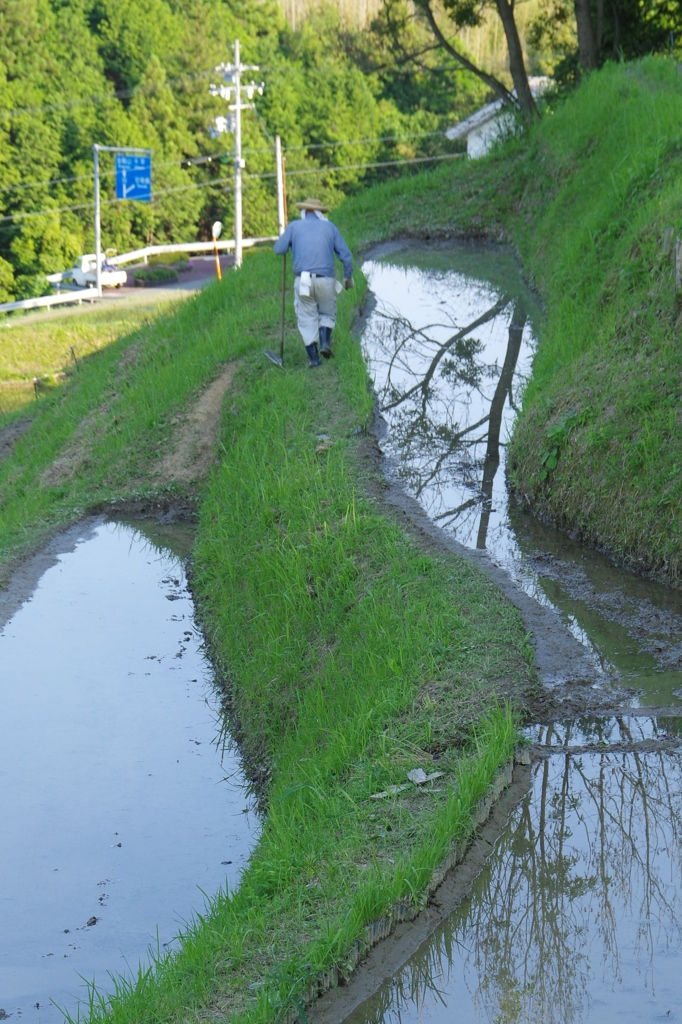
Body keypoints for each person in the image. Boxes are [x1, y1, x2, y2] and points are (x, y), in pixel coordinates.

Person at [273, 197, 354, 368]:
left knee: (306, 317)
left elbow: (278, 249)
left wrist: (289, 241)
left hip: (303, 281)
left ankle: (314, 360)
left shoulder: (294, 226)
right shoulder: (329, 227)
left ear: (304, 212)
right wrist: (347, 277)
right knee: (327, 313)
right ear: (319, 213)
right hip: (326, 280)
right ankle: (325, 342)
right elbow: (346, 256)